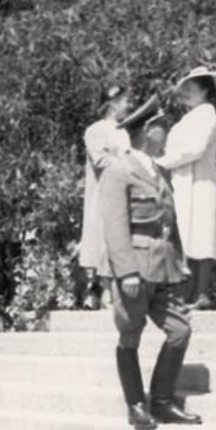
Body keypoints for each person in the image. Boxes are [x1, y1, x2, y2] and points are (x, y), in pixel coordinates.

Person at [98, 96, 201, 428]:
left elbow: (168, 222)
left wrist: (180, 262)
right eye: (162, 127)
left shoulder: (158, 170)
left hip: (164, 266)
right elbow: (114, 226)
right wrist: (126, 270)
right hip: (136, 268)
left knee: (179, 331)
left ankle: (162, 400)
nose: (167, 132)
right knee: (130, 335)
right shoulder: (119, 170)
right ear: (148, 131)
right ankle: (135, 404)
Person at [157, 67, 216, 309]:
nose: (185, 93)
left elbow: (195, 149)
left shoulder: (207, 113)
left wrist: (161, 163)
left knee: (202, 237)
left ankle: (201, 293)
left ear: (205, 90)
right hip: (183, 182)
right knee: (186, 236)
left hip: (201, 183)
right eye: (183, 89)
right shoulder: (189, 117)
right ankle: (189, 293)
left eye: (191, 89)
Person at [80, 85, 133, 309]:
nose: (129, 106)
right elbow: (101, 160)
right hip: (103, 194)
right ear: (113, 103)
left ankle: (117, 294)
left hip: (123, 193)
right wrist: (129, 163)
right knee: (102, 240)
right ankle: (103, 294)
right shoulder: (95, 130)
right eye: (125, 101)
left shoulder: (124, 131)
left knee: (119, 240)